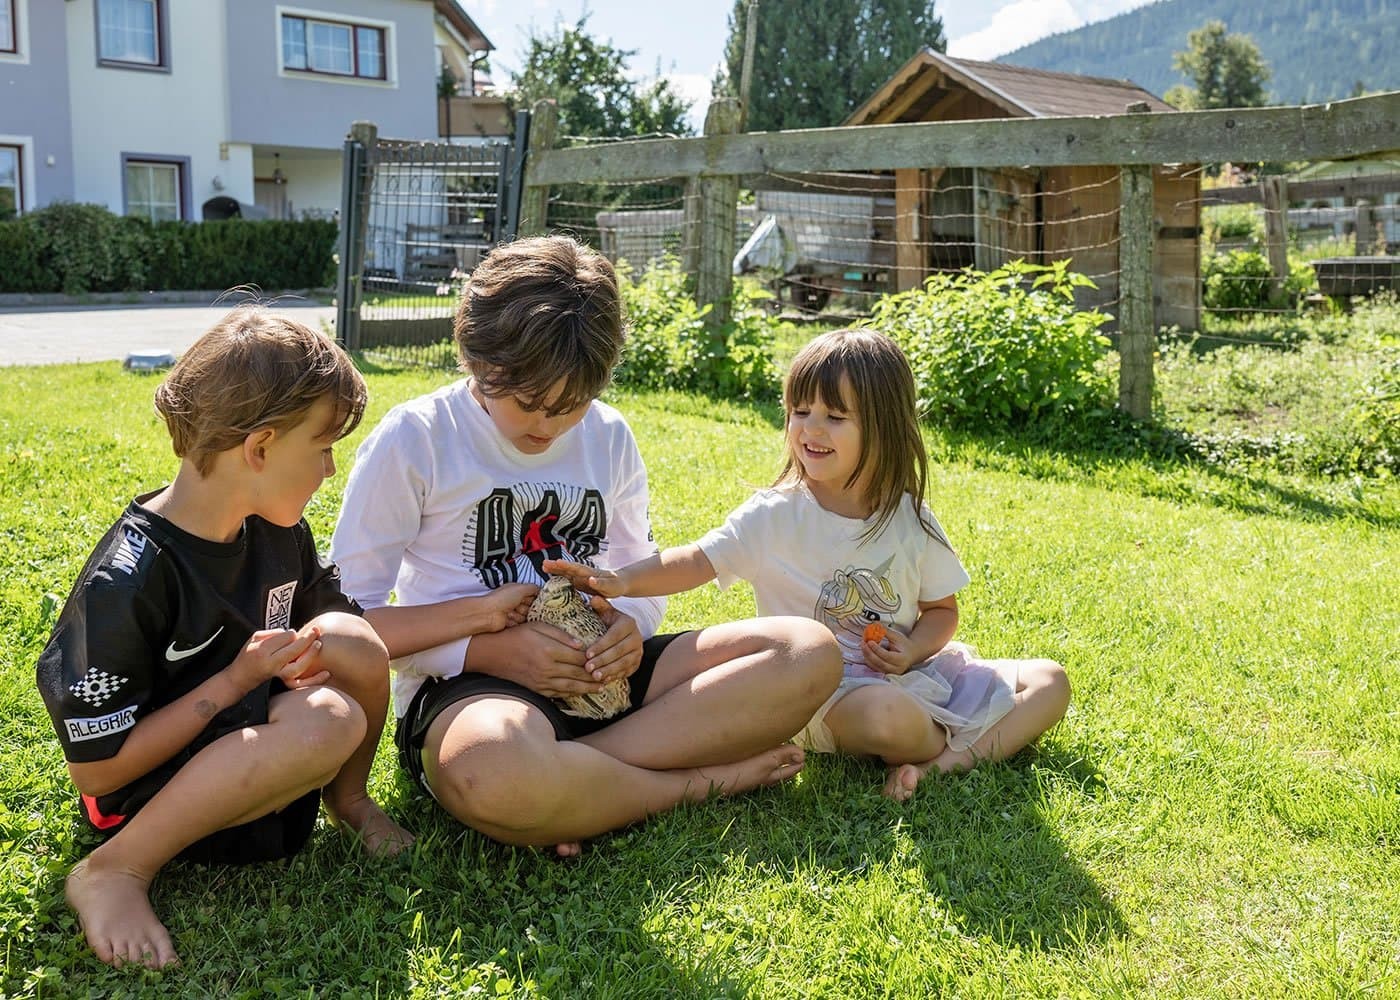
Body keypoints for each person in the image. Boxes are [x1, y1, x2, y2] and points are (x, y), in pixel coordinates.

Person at [329, 235, 842, 854]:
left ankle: (575, 782)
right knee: (489, 767)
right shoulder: (418, 439)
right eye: (527, 403)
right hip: (477, 697)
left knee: (807, 651)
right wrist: (483, 652)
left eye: (571, 406)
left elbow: (634, 570)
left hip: (606, 677)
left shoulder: (609, 436)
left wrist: (630, 623)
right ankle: (697, 781)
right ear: (476, 356)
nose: (546, 425)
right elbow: (349, 622)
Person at [35, 308, 413, 970]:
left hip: (255, 763)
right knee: (323, 725)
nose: (328, 471)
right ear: (260, 448)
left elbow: (340, 627)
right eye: (322, 448)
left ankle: (349, 802)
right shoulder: (127, 582)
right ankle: (114, 872)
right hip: (149, 798)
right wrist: (234, 681)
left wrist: (323, 648)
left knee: (353, 645)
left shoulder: (273, 528)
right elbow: (98, 771)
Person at [545, 328, 1071, 802]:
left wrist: (913, 649)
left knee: (1051, 680)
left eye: (835, 417)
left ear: (884, 428)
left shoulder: (910, 517)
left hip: (916, 677)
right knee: (891, 719)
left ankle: (940, 766)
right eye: (800, 411)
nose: (810, 429)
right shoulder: (778, 514)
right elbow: (698, 560)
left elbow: (941, 611)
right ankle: (942, 739)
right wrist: (623, 578)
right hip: (829, 699)